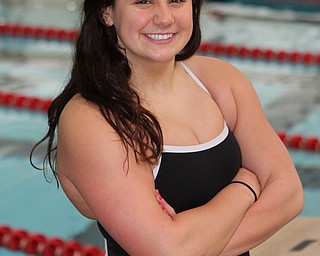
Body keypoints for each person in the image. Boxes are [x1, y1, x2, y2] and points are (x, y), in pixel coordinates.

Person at [31, 0, 304, 255]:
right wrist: (246, 187)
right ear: (107, 12)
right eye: (143, 1)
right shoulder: (92, 119)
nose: (164, 18)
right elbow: (167, 251)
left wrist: (193, 245)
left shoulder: (219, 81)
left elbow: (289, 193)